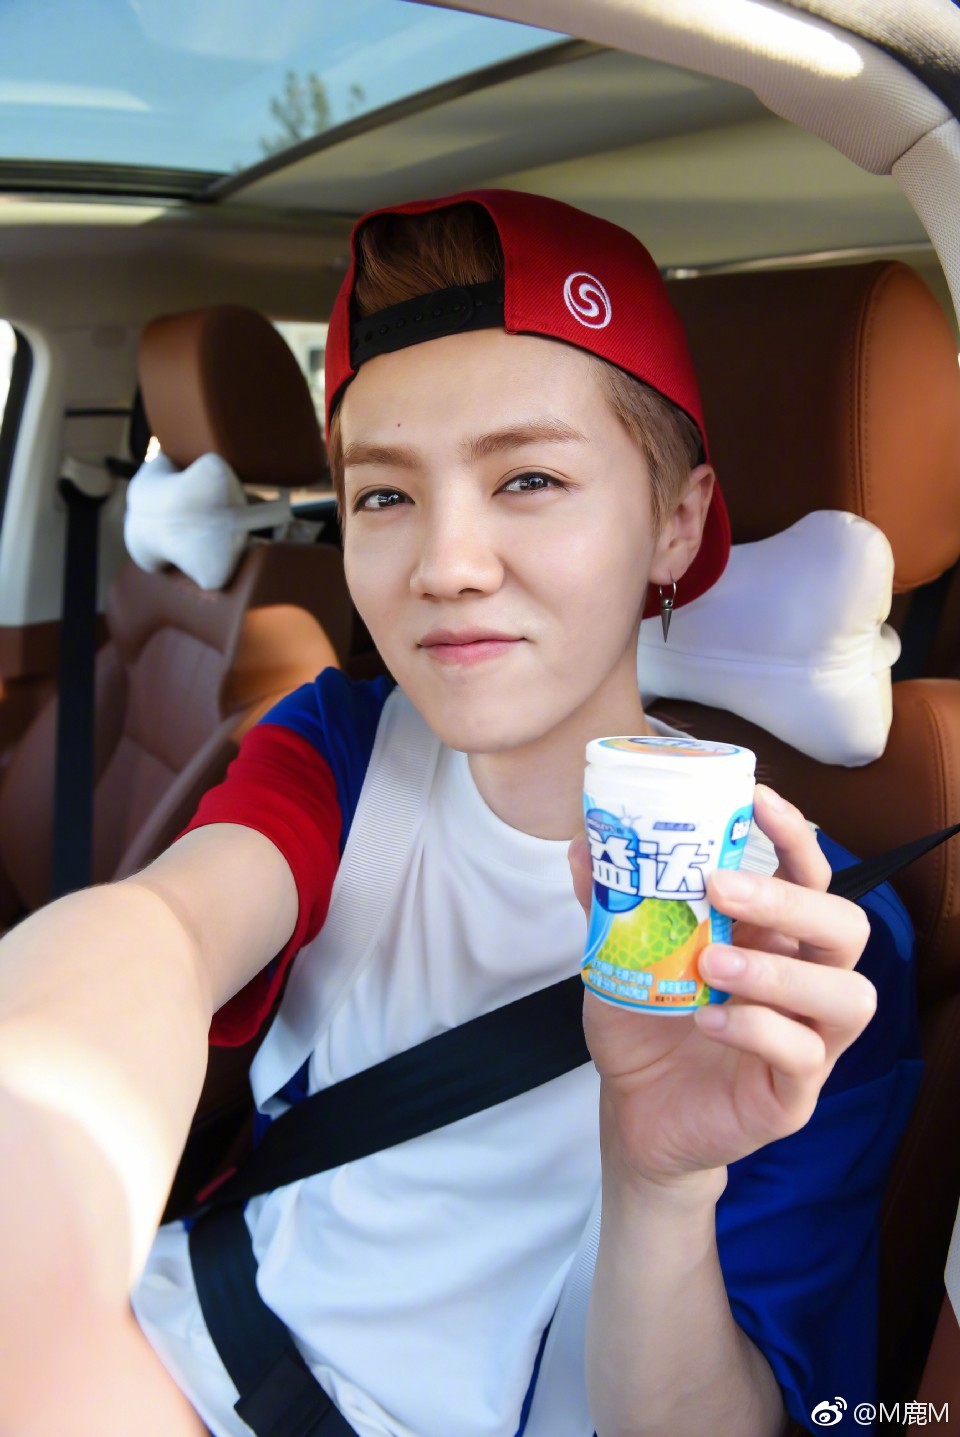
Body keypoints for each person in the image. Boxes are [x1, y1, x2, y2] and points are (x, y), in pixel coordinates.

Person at [0, 189, 921, 1437]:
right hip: (160, 1332)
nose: (446, 565)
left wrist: (658, 1182)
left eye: (529, 478)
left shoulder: (806, 934)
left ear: (676, 523)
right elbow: (165, 927)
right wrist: (39, 1140)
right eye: (385, 497)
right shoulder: (340, 744)